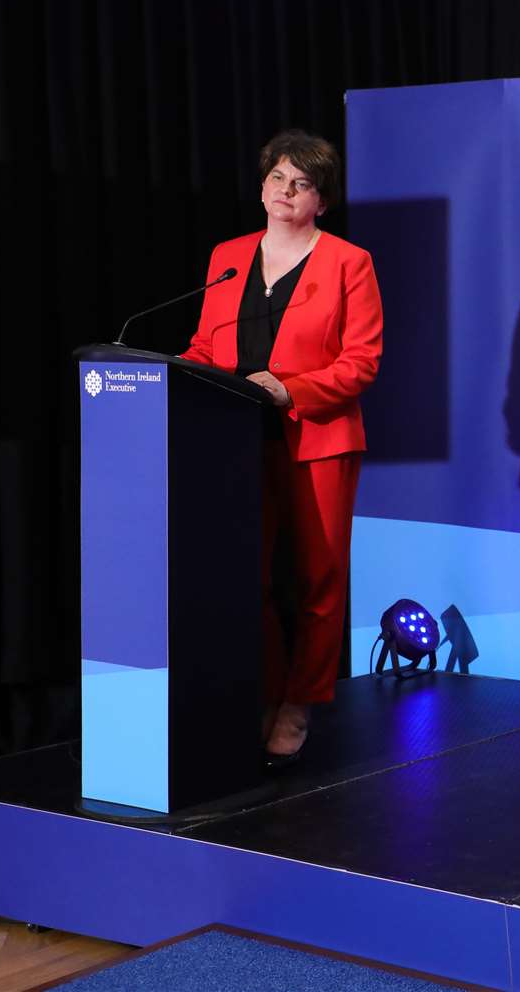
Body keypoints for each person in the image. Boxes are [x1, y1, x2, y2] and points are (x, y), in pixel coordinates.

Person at [181, 130, 383, 761]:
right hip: (236, 442)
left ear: (321, 201)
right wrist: (171, 374)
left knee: (318, 581)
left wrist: (291, 390)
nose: (284, 192)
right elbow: (206, 347)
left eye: (300, 184)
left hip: (317, 440)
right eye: (276, 178)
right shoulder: (228, 256)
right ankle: (268, 689)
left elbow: (362, 363)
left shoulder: (349, 262)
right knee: (253, 576)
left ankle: (302, 701)